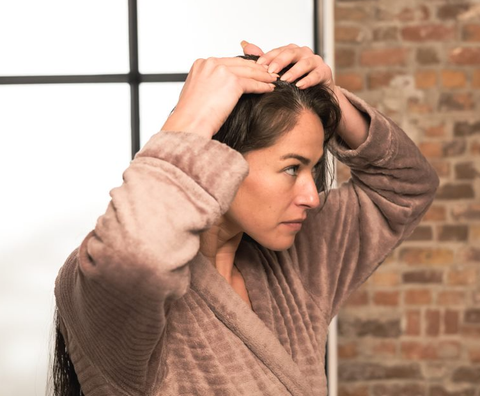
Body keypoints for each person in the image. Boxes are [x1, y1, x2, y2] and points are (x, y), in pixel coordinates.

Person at [51, 42, 439, 396]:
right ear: (222, 160)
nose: (310, 196)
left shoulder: (299, 266)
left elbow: (406, 187)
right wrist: (191, 118)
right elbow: (137, 256)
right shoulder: (98, 283)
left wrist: (328, 95)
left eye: (314, 169)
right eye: (292, 168)